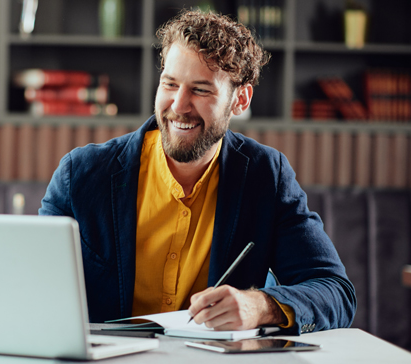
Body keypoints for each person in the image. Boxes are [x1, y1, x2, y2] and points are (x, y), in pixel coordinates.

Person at [39, 9, 355, 335]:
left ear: (240, 100)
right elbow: (30, 283)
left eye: (200, 90)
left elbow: (336, 292)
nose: (178, 105)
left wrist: (260, 306)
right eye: (170, 84)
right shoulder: (81, 174)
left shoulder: (266, 176)